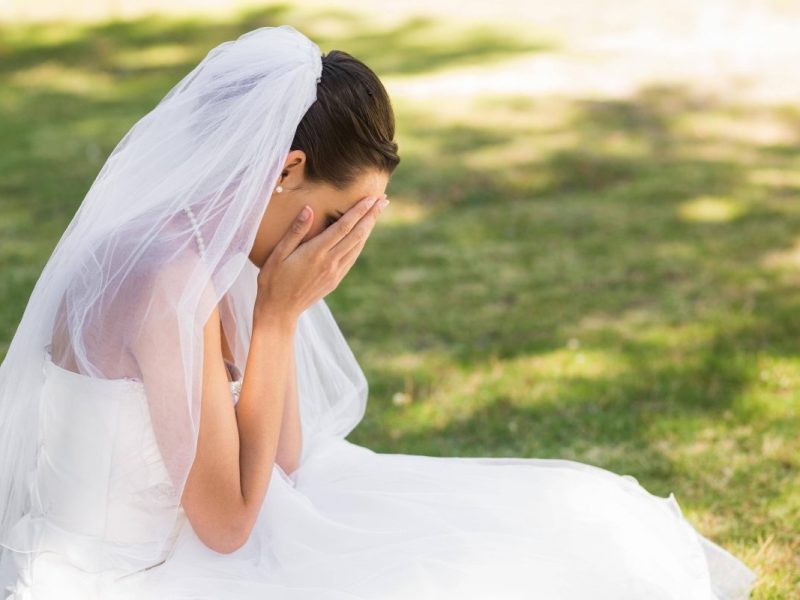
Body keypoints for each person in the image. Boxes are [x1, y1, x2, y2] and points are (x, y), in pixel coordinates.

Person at [0, 25, 757, 600]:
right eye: (335, 219)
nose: (334, 247)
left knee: (554, 533)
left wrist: (281, 313)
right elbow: (228, 525)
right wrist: (273, 319)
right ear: (288, 170)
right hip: (125, 571)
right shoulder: (169, 277)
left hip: (195, 542)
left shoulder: (213, 244)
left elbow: (283, 459)